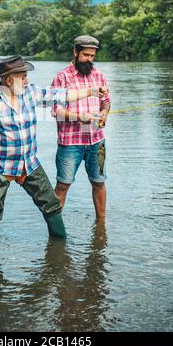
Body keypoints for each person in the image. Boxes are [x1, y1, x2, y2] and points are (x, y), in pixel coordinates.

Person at [0, 55, 101, 268]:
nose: (27, 80)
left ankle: (59, 247)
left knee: (52, 205)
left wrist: (91, 91)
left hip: (29, 163)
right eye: (23, 76)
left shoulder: (31, 93)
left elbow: (62, 95)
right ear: (9, 80)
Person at [51, 35, 111, 218]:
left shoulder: (99, 75)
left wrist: (104, 115)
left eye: (92, 56)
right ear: (75, 52)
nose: (89, 59)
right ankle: (55, 227)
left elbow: (106, 102)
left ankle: (101, 224)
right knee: (63, 184)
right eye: (86, 55)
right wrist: (80, 117)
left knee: (99, 182)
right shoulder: (62, 78)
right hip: (71, 142)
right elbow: (56, 111)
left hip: (96, 141)